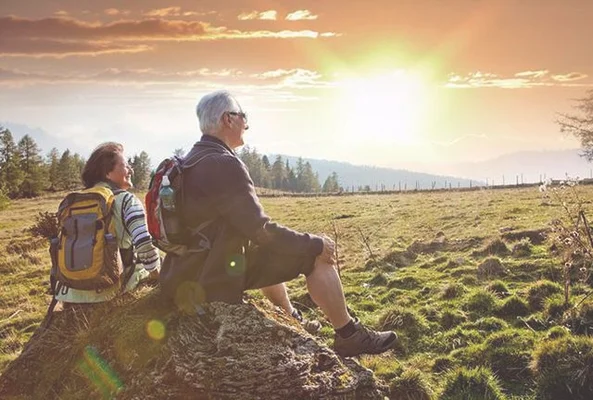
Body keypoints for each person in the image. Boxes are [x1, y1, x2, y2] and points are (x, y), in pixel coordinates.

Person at [160, 91, 397, 357]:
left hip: (182, 273)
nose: (246, 124)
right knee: (316, 257)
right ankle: (349, 335)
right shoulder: (224, 164)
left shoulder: (189, 161)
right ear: (228, 119)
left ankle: (291, 316)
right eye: (243, 116)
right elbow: (260, 231)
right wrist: (315, 243)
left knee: (267, 251)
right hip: (211, 278)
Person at [55, 142, 161, 304]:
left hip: (72, 292)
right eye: (125, 165)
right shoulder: (127, 200)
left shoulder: (75, 202)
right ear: (107, 173)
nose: (130, 170)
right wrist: (157, 276)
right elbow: (144, 245)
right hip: (111, 290)